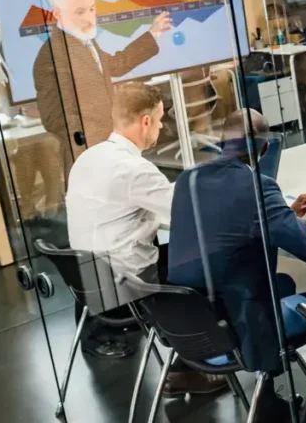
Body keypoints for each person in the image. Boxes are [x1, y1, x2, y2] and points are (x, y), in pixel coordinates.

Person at [65, 84, 227, 396]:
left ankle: (189, 363)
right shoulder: (135, 170)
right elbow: (190, 214)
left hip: (89, 282)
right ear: (145, 122)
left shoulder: (88, 158)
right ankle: (193, 367)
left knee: (181, 252)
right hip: (128, 287)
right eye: (160, 119)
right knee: (208, 266)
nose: (162, 126)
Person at [168, 109, 306, 417]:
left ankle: (267, 394)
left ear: (220, 141)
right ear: (265, 148)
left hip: (194, 325)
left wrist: (282, 214)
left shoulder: (187, 180)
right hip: (239, 327)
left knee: (285, 284)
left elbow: (225, 230)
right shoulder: (259, 186)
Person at [35, 0, 172, 176]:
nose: (89, 18)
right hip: (90, 157)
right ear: (57, 14)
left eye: (91, 9)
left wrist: (152, 34)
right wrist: (94, 146)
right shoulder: (52, 56)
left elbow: (116, 65)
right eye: (79, 12)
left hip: (110, 149)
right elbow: (54, 119)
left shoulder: (86, 43)